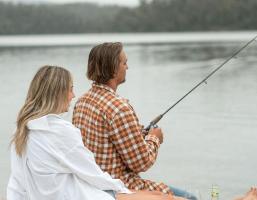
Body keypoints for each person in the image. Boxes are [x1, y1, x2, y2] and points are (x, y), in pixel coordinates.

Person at [7, 65, 189, 200]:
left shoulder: (23, 129)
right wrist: (123, 190)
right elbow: (92, 174)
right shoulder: (59, 131)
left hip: (75, 192)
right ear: (58, 92)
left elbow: (16, 184)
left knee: (155, 195)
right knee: (167, 198)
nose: (73, 95)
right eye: (70, 89)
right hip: (87, 195)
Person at [72, 42, 197, 199]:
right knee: (190, 197)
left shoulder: (82, 102)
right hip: (119, 186)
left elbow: (106, 142)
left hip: (92, 184)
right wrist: (154, 138)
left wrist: (138, 135)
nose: (127, 67)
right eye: (124, 63)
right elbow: (141, 162)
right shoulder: (119, 108)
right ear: (112, 68)